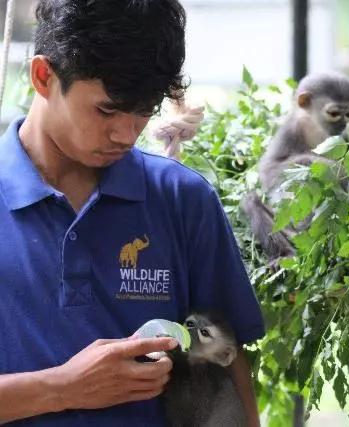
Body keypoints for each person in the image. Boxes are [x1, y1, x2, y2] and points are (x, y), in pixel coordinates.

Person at [0, 1, 265, 426]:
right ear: (43, 77)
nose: (126, 133)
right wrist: (63, 388)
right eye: (107, 109)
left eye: (145, 110)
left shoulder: (183, 200)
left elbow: (228, 369)